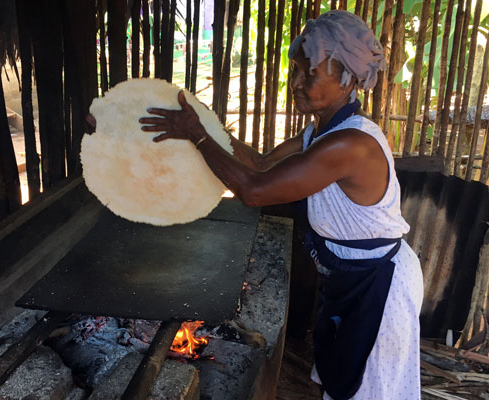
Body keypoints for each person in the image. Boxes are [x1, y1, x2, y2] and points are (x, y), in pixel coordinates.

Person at [140, 10, 424, 400]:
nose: (296, 83)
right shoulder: (322, 133)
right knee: (343, 378)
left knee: (366, 389)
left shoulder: (350, 145)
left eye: (310, 75)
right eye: (296, 71)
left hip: (379, 283)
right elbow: (260, 162)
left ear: (349, 80)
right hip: (351, 275)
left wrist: (199, 136)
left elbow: (254, 189)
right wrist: (202, 129)